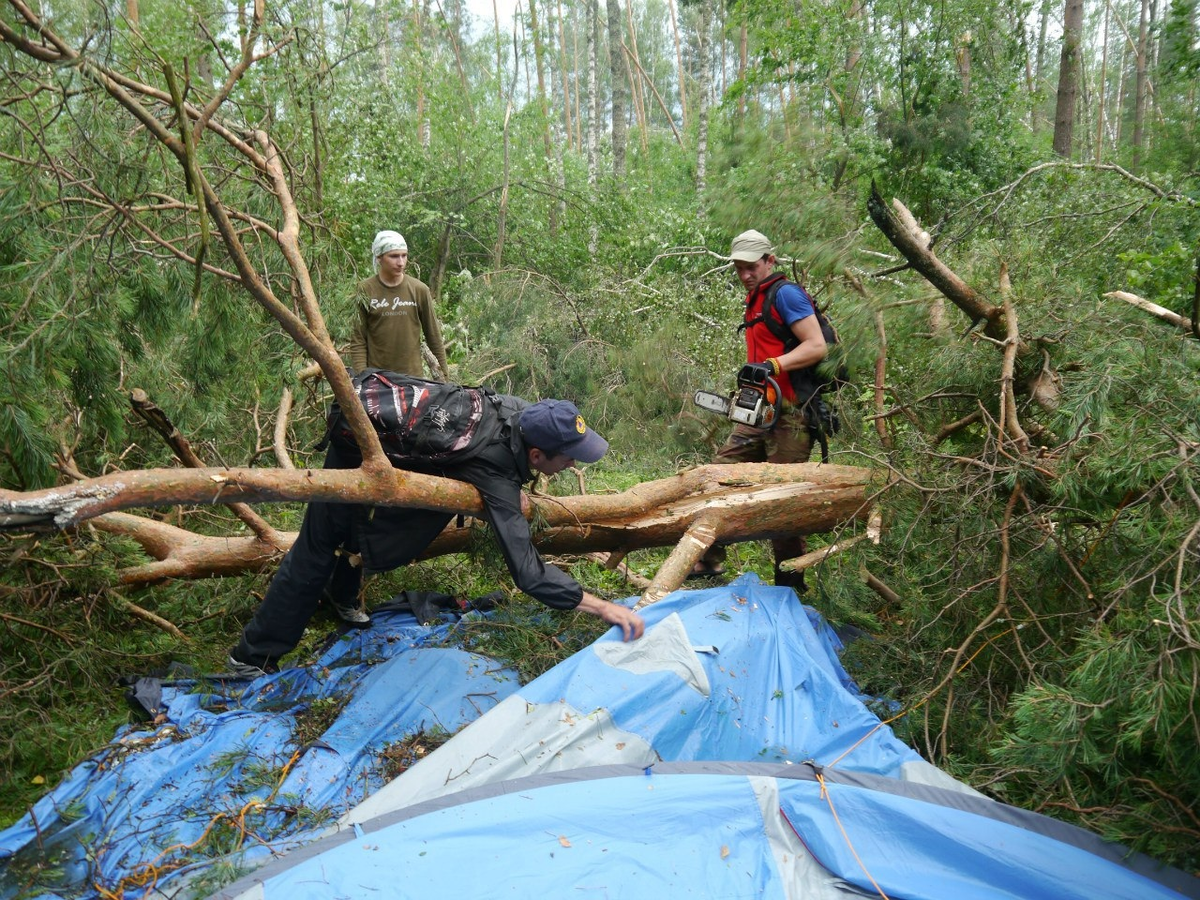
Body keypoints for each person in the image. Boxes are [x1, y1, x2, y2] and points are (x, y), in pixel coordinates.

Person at [228, 388, 645, 676]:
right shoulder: (495, 468)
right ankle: (253, 656)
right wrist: (603, 608)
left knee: (359, 531)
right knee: (317, 548)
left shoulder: (520, 412)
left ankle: (341, 597)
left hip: (385, 444)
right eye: (569, 459)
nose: (573, 466)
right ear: (536, 454)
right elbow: (529, 573)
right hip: (355, 447)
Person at [692, 229, 828, 591]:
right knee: (719, 475)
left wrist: (773, 366)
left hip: (793, 415)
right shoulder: (755, 298)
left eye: (751, 266)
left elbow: (816, 346)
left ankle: (789, 585)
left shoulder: (786, 295)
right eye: (739, 268)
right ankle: (709, 558)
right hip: (760, 410)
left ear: (770, 260)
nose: (745, 274)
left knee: (781, 503)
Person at [348, 230, 450, 379]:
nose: (401, 262)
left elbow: (433, 337)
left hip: (413, 379)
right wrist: (361, 379)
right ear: (379, 257)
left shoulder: (419, 290)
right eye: (394, 256)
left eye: (404, 255)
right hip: (377, 380)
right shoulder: (365, 290)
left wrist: (445, 378)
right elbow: (358, 340)